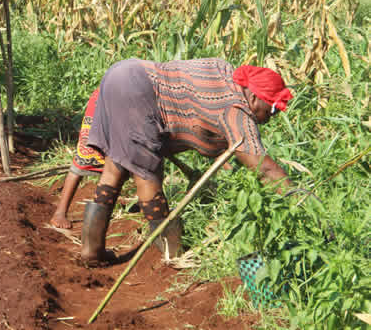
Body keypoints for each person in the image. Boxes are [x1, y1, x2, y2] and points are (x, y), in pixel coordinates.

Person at [80, 58, 293, 263]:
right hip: (139, 90)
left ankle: (92, 250)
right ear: (254, 97)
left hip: (122, 73)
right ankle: (171, 254)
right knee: (147, 175)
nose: (270, 117)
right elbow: (265, 169)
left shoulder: (223, 72)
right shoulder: (236, 110)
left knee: (114, 166)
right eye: (272, 109)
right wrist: (299, 199)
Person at [50, 88, 105, 229]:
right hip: (106, 98)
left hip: (124, 100)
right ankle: (60, 213)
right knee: (86, 155)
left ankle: (99, 216)